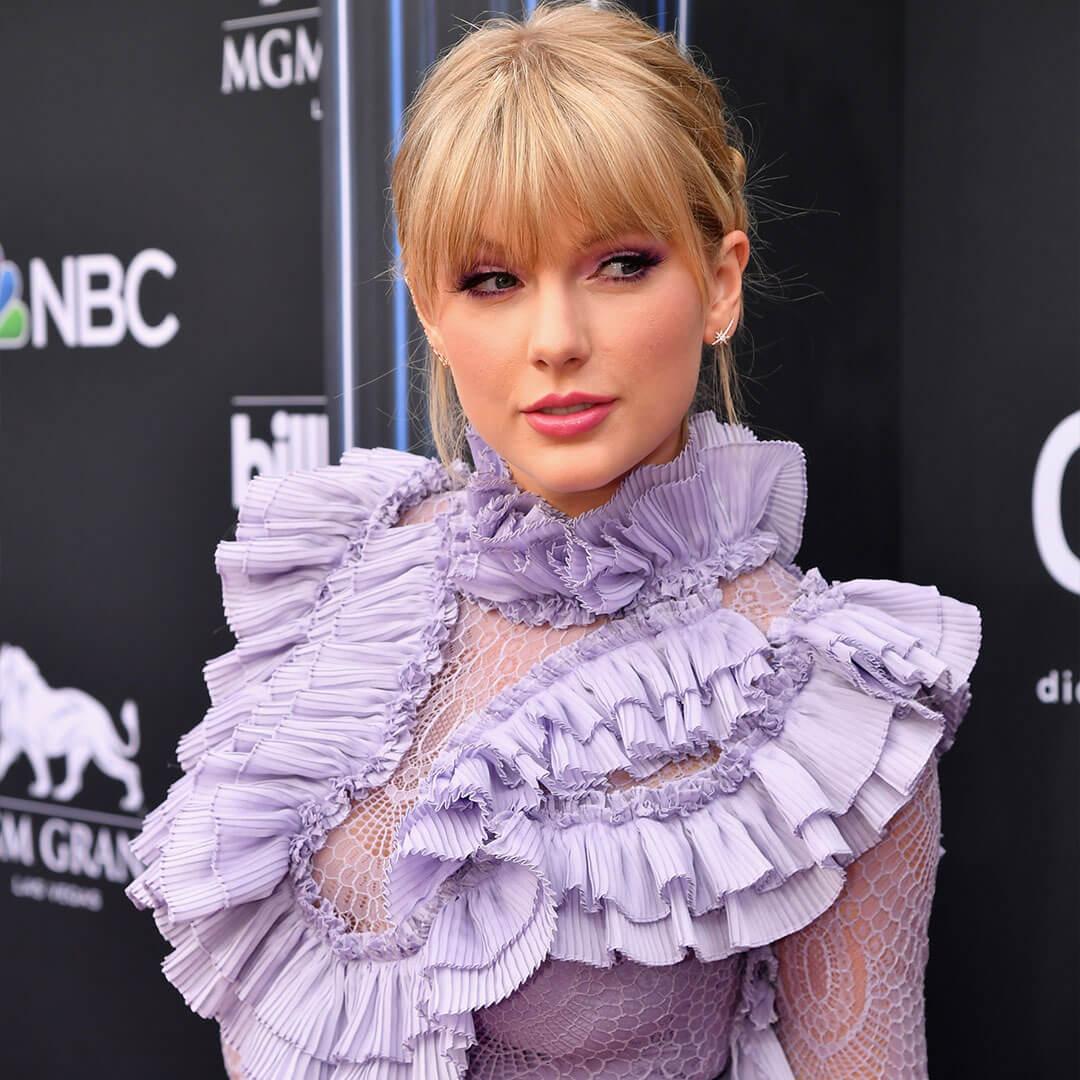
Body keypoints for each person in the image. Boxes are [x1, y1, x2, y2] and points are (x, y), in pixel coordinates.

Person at [126, 2, 982, 1077]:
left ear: (719, 282)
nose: (556, 341)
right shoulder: (339, 575)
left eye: (621, 264)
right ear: (432, 311)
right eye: (493, 279)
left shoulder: (827, 713)